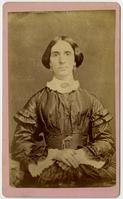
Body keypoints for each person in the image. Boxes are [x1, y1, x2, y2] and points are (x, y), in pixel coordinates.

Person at [10, 36, 116, 188]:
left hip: (88, 168)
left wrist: (81, 155)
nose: (61, 60)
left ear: (74, 61)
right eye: (55, 54)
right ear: (49, 63)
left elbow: (107, 141)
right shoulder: (38, 100)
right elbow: (19, 143)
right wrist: (55, 154)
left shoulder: (91, 100)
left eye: (67, 54)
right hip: (49, 168)